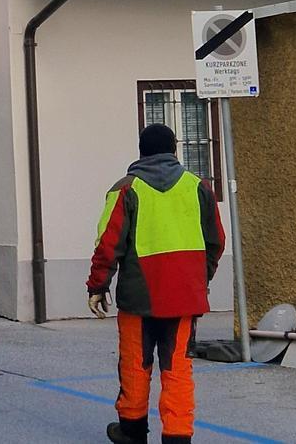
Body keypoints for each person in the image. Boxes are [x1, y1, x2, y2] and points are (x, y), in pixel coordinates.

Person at [86, 123, 226, 444]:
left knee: (135, 364)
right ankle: (177, 436)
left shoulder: (125, 189)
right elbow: (216, 241)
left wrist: (98, 286)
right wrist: (199, 279)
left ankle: (132, 431)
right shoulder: (198, 187)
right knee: (177, 369)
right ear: (175, 150)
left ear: (141, 151)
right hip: (183, 300)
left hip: (138, 297)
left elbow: (108, 243)